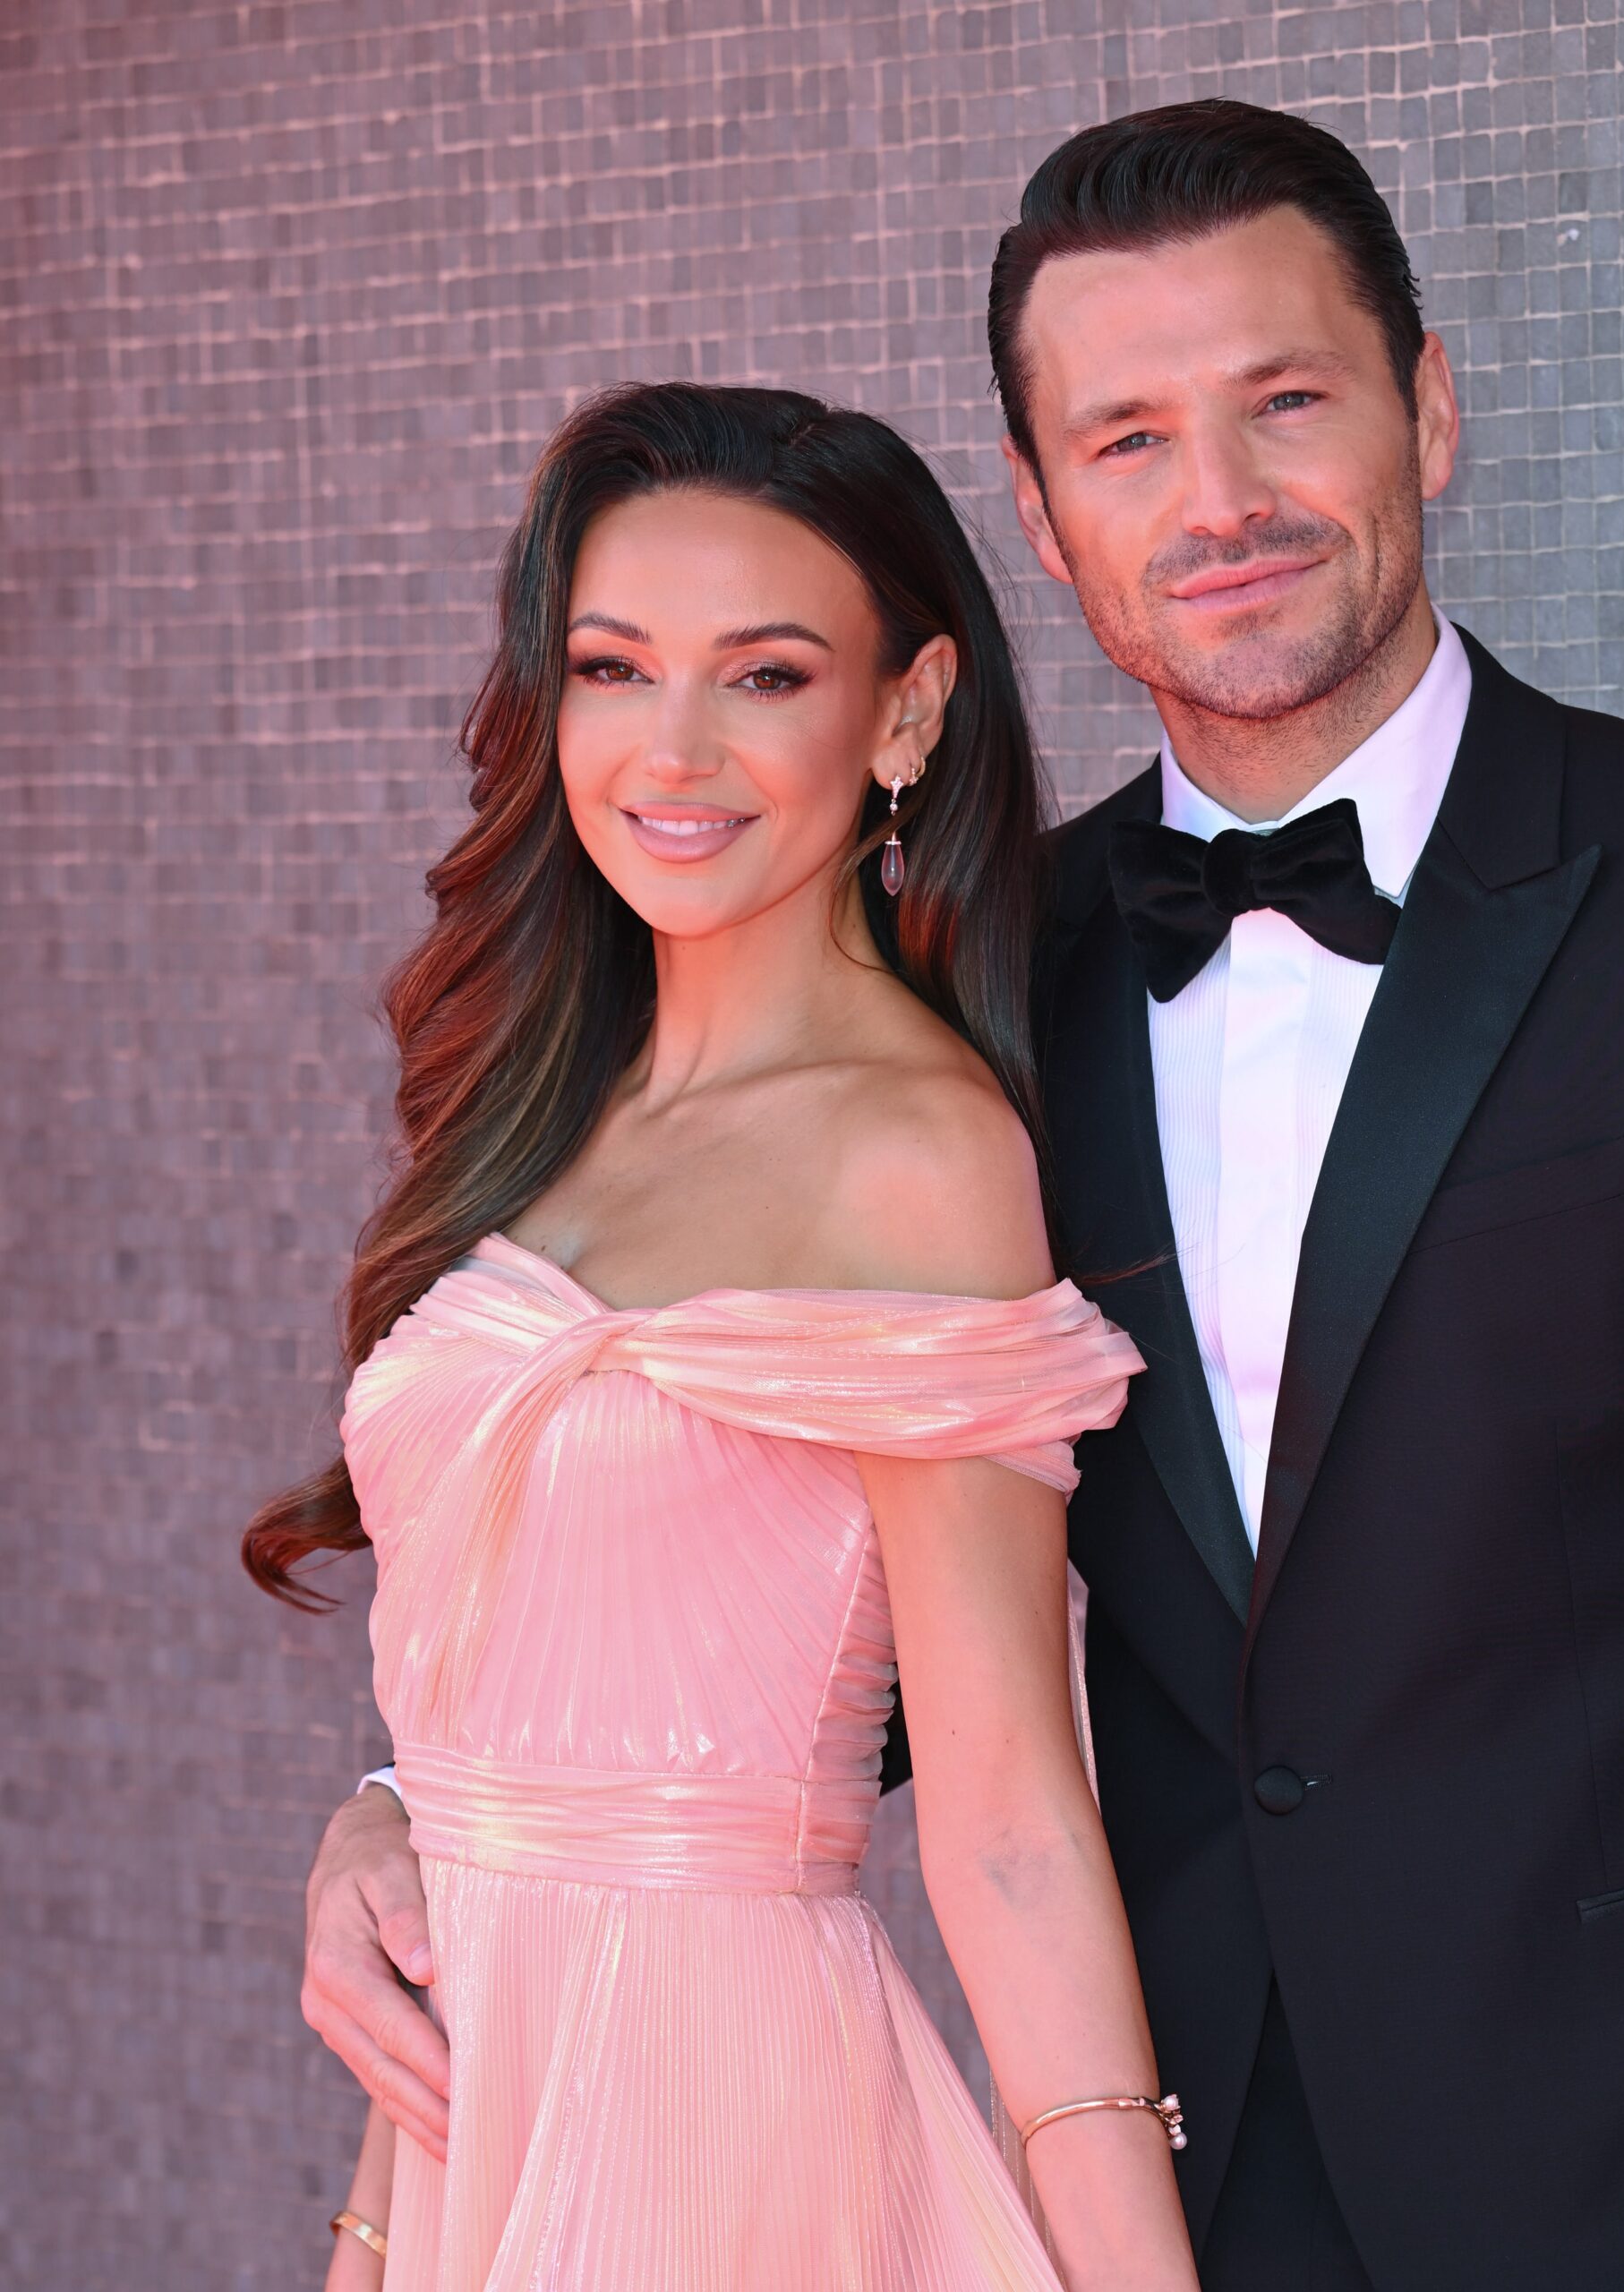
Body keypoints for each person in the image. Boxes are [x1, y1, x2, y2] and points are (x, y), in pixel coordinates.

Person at [299, 104, 1624, 2292]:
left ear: (1427, 406)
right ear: (1040, 514)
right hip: (1171, 2175)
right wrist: (420, 1811)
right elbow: (839, 1593)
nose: (1215, 502)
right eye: (1126, 439)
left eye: (1283, 401)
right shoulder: (980, 991)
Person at [248, 382, 1200, 2292]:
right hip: (460, 2149)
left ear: (906, 713)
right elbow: (509, 1731)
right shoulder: (539, 1114)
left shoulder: (918, 1155)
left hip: (725, 2125)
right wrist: (385, 1822)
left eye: (764, 676)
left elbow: (1006, 1815)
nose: (671, 749)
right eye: (615, 668)